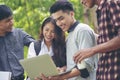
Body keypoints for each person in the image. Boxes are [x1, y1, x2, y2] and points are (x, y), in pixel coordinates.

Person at [37, 1, 98, 80]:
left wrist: (60, 77)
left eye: (61, 18)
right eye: (56, 20)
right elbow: (74, 65)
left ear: (72, 14)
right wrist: (63, 70)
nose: (58, 23)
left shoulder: (82, 30)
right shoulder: (69, 36)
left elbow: (87, 66)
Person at [74, 0, 120, 80]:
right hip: (106, 73)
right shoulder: (101, 10)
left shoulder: (111, 3)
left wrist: (92, 50)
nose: (81, 2)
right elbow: (109, 38)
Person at [0, 5, 34, 80]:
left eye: (12, 19)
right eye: (7, 21)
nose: (12, 22)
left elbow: (37, 45)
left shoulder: (19, 33)